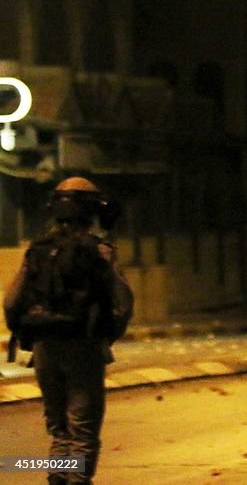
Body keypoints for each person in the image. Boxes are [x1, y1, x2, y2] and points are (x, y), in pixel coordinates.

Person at [4, 177, 133, 485]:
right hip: (85, 347)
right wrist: (105, 336)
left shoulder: (37, 250)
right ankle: (76, 480)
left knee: (59, 427)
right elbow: (123, 304)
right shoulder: (101, 252)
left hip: (45, 348)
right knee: (83, 429)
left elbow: (11, 302)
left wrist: (27, 335)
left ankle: (58, 477)